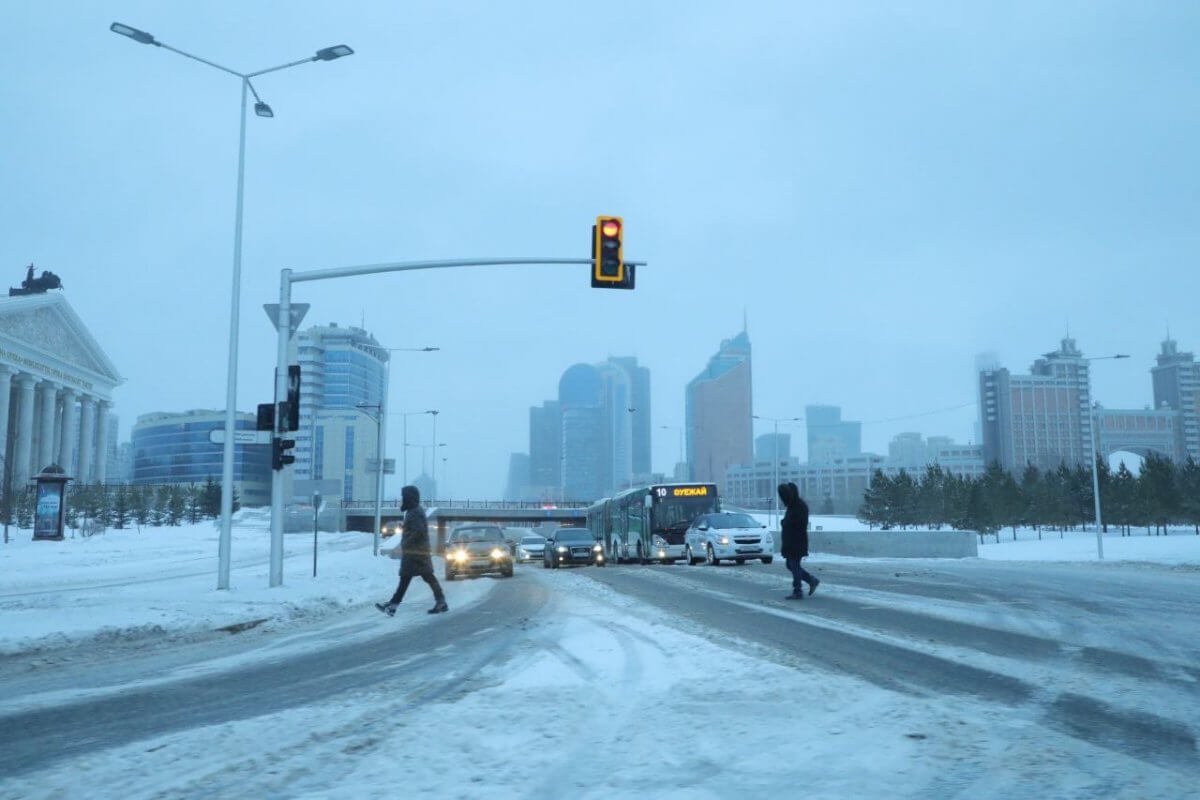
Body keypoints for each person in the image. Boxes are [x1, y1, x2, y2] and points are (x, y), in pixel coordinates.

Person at [376, 485, 449, 615]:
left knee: (422, 577)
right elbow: (414, 530)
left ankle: (440, 601)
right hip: (415, 552)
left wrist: (406, 542)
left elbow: (418, 531)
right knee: (410, 578)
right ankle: (393, 606)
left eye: (404, 496)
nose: (402, 499)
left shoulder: (415, 512)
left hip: (417, 553)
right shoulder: (413, 511)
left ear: (409, 498)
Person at [779, 481, 819, 599]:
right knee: (790, 565)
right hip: (791, 542)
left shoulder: (799, 506)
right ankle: (811, 580)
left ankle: (798, 590)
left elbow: (797, 523)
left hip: (797, 542)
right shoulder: (793, 506)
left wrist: (785, 523)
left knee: (794, 565)